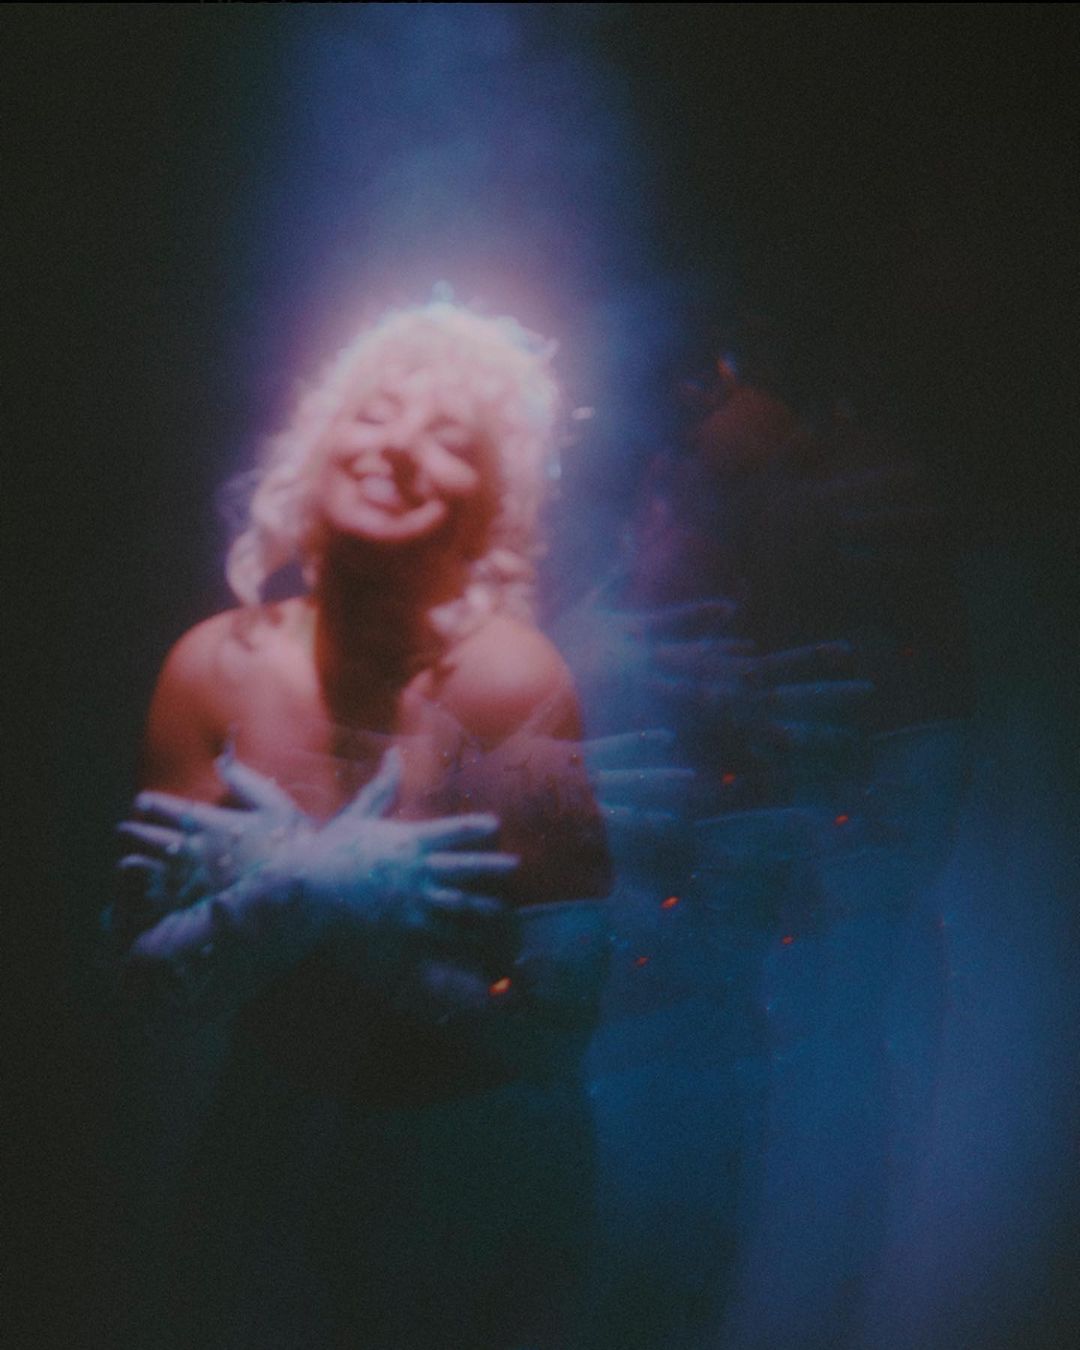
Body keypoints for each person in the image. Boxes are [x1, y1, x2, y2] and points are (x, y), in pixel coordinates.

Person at [111, 301, 611, 1350]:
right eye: (376, 412)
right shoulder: (212, 667)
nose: (399, 447)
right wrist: (300, 892)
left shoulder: (512, 684)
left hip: (459, 1161)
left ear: (489, 512)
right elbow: (142, 983)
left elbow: (563, 1017)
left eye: (448, 436)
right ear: (315, 448)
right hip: (261, 1135)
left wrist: (376, 947)